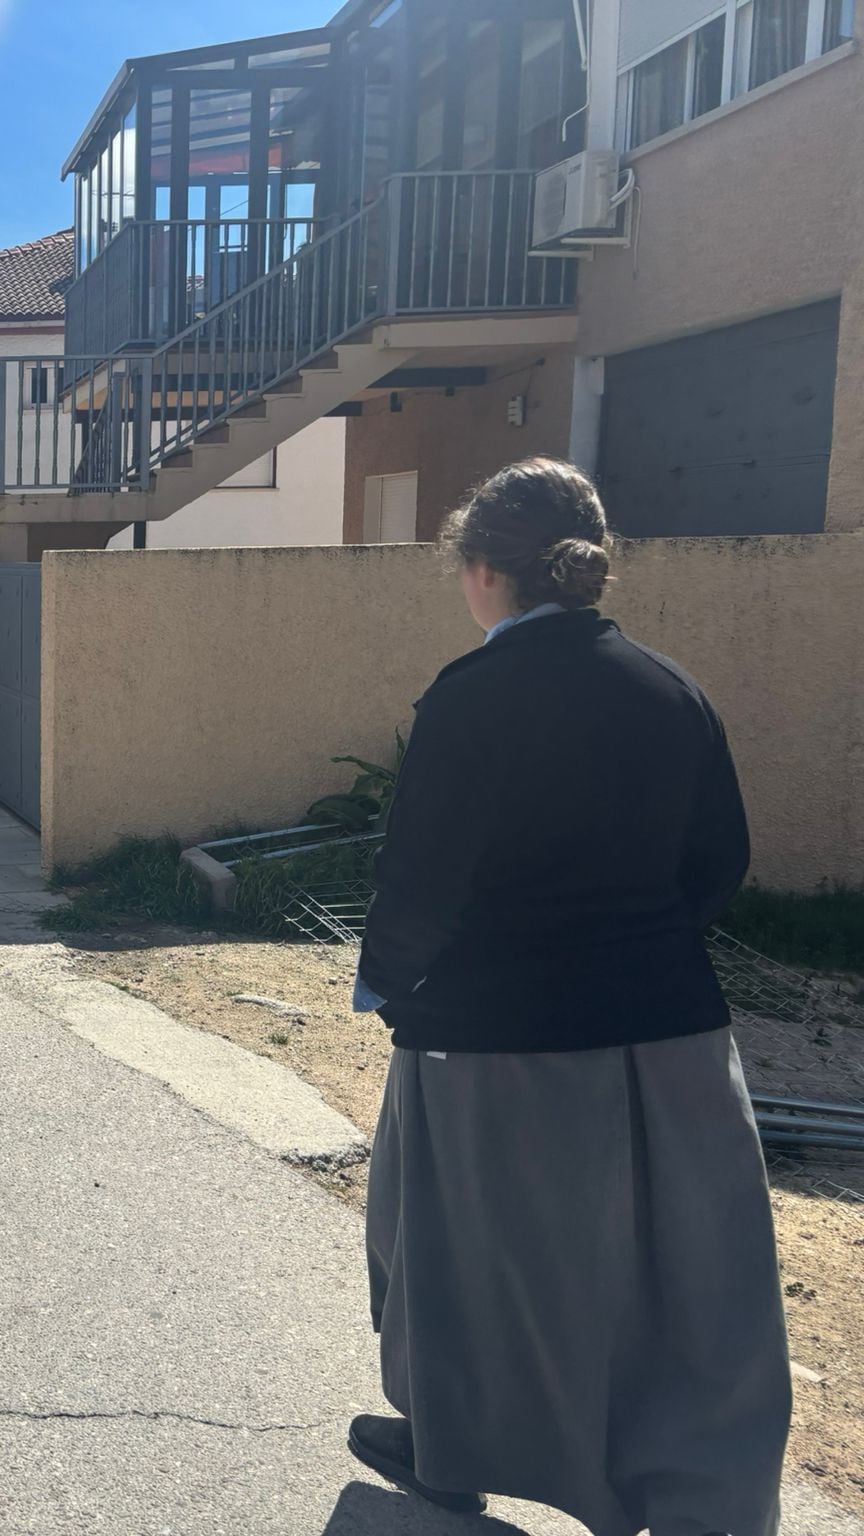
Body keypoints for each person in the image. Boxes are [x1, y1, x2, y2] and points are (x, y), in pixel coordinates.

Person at [351, 458, 787, 1536]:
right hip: (669, 1032)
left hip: (491, 1036)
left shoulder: (470, 696)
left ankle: (451, 1449)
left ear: (482, 570)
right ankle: (696, 1498)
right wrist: (629, 945)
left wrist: (386, 982)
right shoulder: (669, 689)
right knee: (683, 1280)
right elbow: (715, 861)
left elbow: (421, 873)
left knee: (455, 1259)